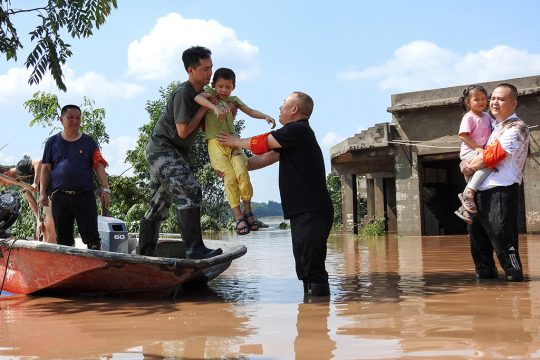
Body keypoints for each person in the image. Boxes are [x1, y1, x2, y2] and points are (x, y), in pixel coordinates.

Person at [217, 91, 334, 297]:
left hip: (311, 210)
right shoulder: (291, 138)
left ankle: (317, 318)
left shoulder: (298, 130)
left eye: (283, 104)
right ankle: (310, 318)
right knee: (304, 268)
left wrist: (234, 141)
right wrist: (231, 170)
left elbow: (262, 143)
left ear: (294, 109)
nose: (279, 108)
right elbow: (259, 160)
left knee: (313, 269)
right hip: (302, 212)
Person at [138, 46, 222, 259]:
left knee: (159, 203)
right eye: (205, 69)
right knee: (190, 191)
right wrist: (205, 107)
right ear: (190, 70)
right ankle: (194, 249)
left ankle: (145, 254)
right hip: (163, 150)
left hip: (171, 152)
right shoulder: (184, 93)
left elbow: (202, 128)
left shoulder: (201, 94)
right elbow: (183, 131)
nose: (210, 73)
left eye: (211, 68)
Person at [461, 83, 530, 282]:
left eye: (501, 99)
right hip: (478, 195)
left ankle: (516, 289)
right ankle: (485, 293)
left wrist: (469, 166)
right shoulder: (492, 127)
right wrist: (464, 164)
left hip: (502, 191)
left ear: (514, 103)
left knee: (503, 242)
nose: (494, 102)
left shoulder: (518, 127)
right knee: (478, 246)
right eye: (493, 98)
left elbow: (493, 156)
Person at [195, 67, 276, 235]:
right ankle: (237, 215)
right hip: (215, 144)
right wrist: (214, 107)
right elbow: (197, 98)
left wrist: (265, 116)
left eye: (228, 87)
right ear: (214, 85)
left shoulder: (234, 100)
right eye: (220, 86)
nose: (224, 90)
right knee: (230, 177)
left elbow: (251, 111)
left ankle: (248, 209)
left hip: (233, 142)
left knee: (242, 172)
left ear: (233, 87)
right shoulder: (210, 94)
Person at [39, 104, 110, 250]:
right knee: (64, 241)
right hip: (60, 197)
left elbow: (99, 165)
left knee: (93, 239)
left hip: (84, 196)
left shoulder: (89, 142)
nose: (74, 121)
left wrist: (105, 188)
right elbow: (45, 168)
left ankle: (96, 268)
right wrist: (42, 192)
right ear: (61, 120)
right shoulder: (52, 142)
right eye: (70, 117)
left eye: (78, 118)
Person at [453, 85, 494, 224]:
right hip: (469, 152)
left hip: (479, 152)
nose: (482, 102)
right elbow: (463, 136)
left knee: (480, 176)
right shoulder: (468, 117)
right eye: (477, 99)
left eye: (484, 98)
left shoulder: (487, 116)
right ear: (467, 102)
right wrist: (477, 148)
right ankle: (468, 193)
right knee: (489, 163)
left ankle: (463, 208)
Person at [0, 156, 57, 243]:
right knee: (43, 228)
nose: (6, 185)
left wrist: (35, 182)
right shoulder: (19, 183)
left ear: (6, 175)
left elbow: (39, 162)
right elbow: (30, 200)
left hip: (55, 190)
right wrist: (38, 220)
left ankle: (53, 252)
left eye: (4, 182)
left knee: (50, 229)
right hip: (47, 197)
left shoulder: (20, 167)